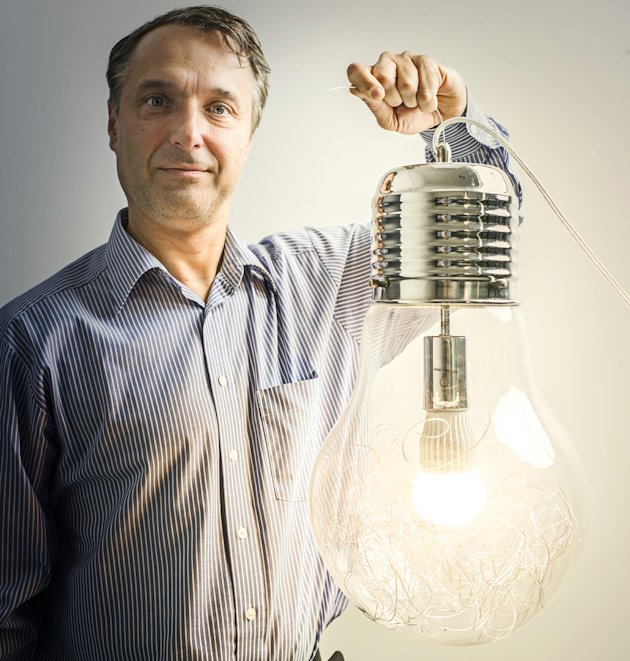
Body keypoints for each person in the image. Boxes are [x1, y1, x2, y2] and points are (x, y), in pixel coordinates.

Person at [0, 5, 520, 660]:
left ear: (248, 134)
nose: (189, 133)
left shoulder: (331, 283)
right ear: (114, 124)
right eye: (158, 99)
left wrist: (453, 121)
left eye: (220, 107)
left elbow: (486, 236)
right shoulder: (32, 340)